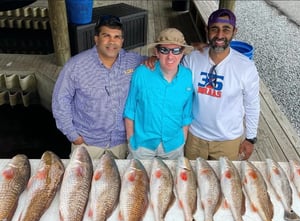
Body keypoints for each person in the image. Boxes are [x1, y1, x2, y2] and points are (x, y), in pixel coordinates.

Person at [52, 15, 146, 159]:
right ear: (96, 39)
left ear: (122, 41)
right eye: (106, 35)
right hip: (87, 144)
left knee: (117, 181)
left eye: (116, 37)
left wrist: (153, 60)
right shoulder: (76, 65)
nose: (112, 41)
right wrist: (73, 135)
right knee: (82, 181)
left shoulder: (134, 61)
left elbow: (162, 61)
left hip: (121, 144)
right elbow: (60, 100)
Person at [182, 8, 260, 161]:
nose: (219, 35)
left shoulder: (245, 66)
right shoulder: (192, 59)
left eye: (226, 29)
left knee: (225, 183)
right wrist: (153, 59)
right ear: (207, 30)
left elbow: (252, 104)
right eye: (214, 29)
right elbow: (170, 67)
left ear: (234, 31)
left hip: (228, 141)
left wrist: (250, 138)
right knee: (193, 181)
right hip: (195, 137)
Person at [123, 28, 194, 160]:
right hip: (142, 146)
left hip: (173, 146)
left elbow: (186, 113)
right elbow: (130, 109)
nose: (170, 56)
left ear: (182, 53)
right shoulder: (141, 73)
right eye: (164, 50)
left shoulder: (188, 76)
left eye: (176, 50)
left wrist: (182, 139)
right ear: (156, 52)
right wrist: (131, 139)